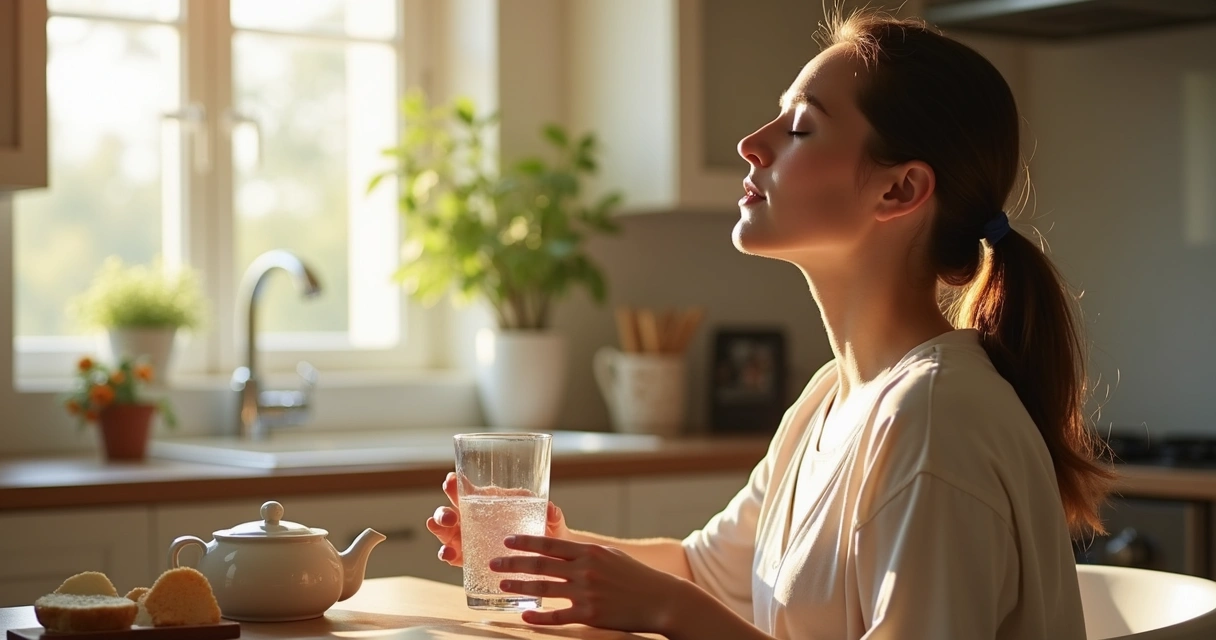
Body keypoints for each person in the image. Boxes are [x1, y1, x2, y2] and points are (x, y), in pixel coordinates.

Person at [426, 9, 1114, 639]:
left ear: (899, 189)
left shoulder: (935, 419)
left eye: (802, 127)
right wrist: (550, 551)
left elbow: (685, 596)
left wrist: (670, 612)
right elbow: (703, 570)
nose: (751, 144)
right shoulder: (831, 397)